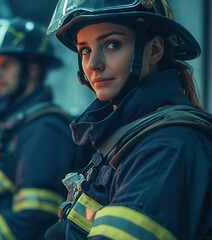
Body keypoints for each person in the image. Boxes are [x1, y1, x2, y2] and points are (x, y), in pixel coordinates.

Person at [44, 0, 212, 239]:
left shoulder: (167, 146)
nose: (93, 64)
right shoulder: (126, 135)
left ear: (154, 50)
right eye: (85, 50)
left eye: (112, 44)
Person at [0, 17, 95, 240]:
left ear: (33, 69)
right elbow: (8, 186)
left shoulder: (44, 129)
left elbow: (35, 217)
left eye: (4, 66)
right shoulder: (21, 123)